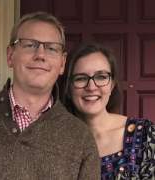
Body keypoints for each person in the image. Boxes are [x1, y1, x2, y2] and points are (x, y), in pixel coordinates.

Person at [0, 12, 101, 179]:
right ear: (10, 55)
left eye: (51, 48)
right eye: (29, 45)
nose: (40, 55)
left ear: (62, 63)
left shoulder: (81, 137)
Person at [58, 41, 155, 179]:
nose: (91, 87)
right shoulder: (53, 142)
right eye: (81, 78)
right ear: (68, 88)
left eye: (101, 77)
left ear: (112, 84)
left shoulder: (144, 134)